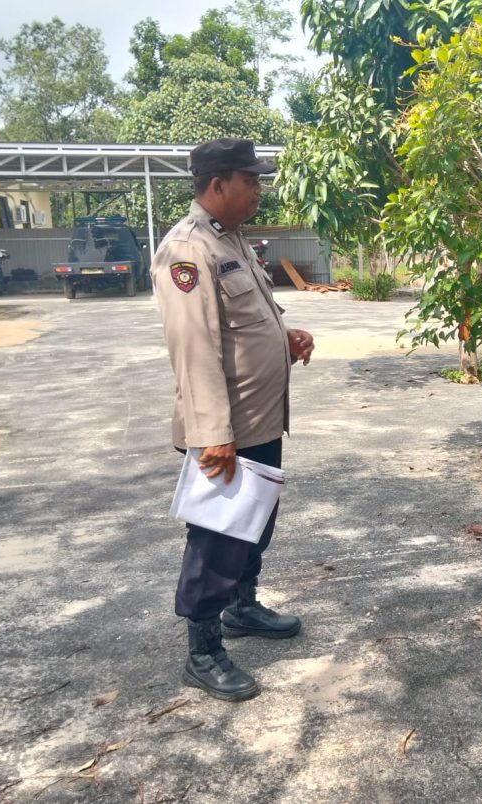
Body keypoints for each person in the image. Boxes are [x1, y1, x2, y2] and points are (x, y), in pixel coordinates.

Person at [151, 138, 315, 702]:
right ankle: (202, 650)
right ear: (218, 184)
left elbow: (242, 324)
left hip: (260, 417)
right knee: (218, 538)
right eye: (250, 181)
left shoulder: (232, 241)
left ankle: (242, 609)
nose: (258, 191)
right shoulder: (186, 249)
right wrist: (211, 434)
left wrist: (284, 338)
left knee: (256, 524)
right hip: (226, 428)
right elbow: (194, 347)